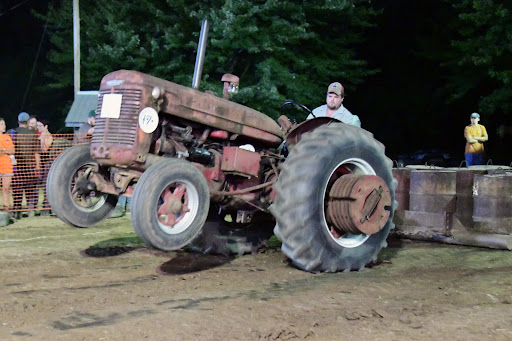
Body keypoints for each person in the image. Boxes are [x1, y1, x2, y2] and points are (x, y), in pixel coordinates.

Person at [11, 112, 41, 219]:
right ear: (28, 122)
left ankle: (16, 211)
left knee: (17, 190)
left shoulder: (11, 132)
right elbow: (37, 152)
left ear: (19, 121)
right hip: (29, 168)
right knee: (30, 190)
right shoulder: (32, 134)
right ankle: (30, 210)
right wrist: (38, 167)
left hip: (15, 167)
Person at [37, 119, 53, 215]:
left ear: (45, 126)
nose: (39, 128)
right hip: (43, 164)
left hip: (47, 163)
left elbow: (45, 150)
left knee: (46, 185)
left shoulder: (48, 136)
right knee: (43, 186)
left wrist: (41, 140)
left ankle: (46, 207)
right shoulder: (41, 135)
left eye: (40, 126)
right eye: (38, 126)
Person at [0, 118, 15, 212]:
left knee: (6, 188)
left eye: (4, 124)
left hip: (7, 167)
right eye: (1, 124)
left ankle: (7, 207)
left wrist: (4, 150)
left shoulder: (7, 137)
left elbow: (13, 151)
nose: (4, 126)